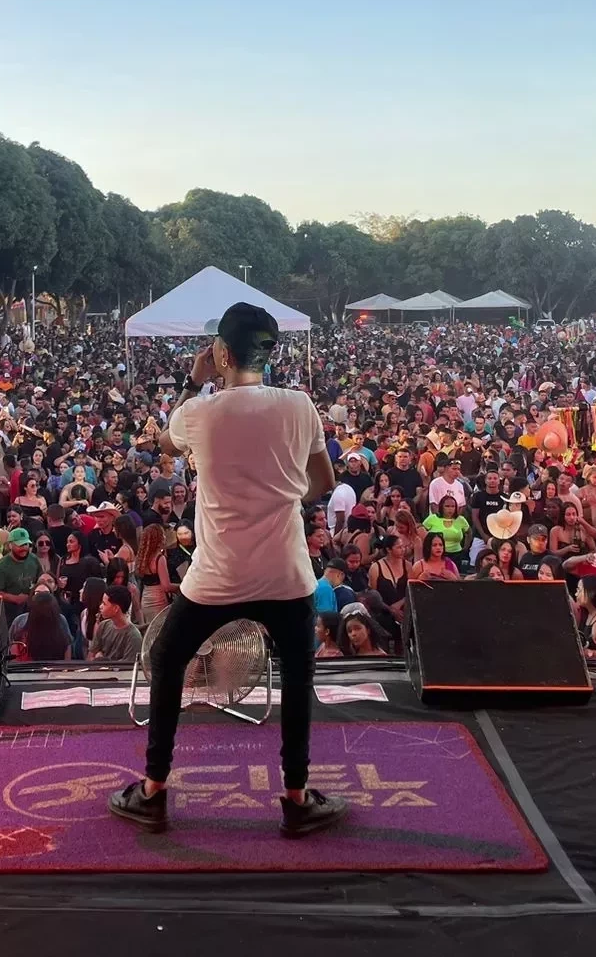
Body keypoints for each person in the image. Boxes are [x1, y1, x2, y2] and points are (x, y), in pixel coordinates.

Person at [109, 303, 345, 838]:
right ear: (270, 352)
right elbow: (322, 482)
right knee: (298, 677)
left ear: (220, 352)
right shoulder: (300, 406)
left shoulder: (201, 412)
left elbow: (165, 445)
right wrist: (280, 498)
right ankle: (296, 799)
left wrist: (193, 384)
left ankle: (153, 792)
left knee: (168, 659)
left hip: (216, 577)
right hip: (287, 573)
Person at [86, 584, 142, 662]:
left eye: (104, 603)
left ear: (116, 608)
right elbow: (90, 658)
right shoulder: (103, 626)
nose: (100, 606)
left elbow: (128, 668)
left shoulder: (133, 636)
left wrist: (103, 661)